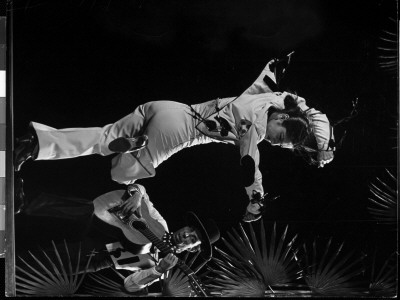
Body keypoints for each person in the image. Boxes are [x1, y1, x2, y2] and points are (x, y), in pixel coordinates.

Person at [14, 58, 335, 222]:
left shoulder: (267, 98)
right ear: (280, 119)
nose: (275, 143)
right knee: (120, 174)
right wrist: (256, 198)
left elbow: (303, 106)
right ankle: (131, 157)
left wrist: (318, 142)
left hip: (167, 108)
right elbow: (250, 161)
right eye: (280, 138)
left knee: (103, 136)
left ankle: (32, 143)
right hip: (177, 133)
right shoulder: (255, 127)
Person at [16, 183, 220, 294]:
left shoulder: (161, 265)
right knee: (87, 208)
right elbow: (142, 190)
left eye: (192, 239)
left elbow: (130, 285)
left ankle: (14, 267)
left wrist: (159, 269)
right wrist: (137, 196)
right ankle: (23, 200)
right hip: (107, 222)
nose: (186, 235)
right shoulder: (161, 224)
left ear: (192, 248)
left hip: (102, 254)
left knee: (48, 263)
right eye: (189, 229)